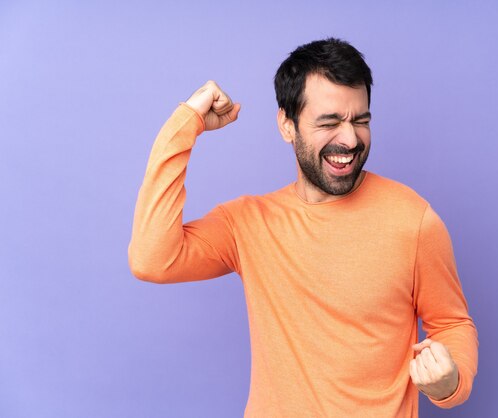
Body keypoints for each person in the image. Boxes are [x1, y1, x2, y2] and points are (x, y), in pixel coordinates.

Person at [128, 38, 478, 417]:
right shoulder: (248, 224)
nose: (349, 139)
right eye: (330, 122)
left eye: (360, 121)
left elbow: (452, 324)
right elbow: (152, 259)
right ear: (287, 125)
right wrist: (187, 122)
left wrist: (450, 383)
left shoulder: (414, 220)